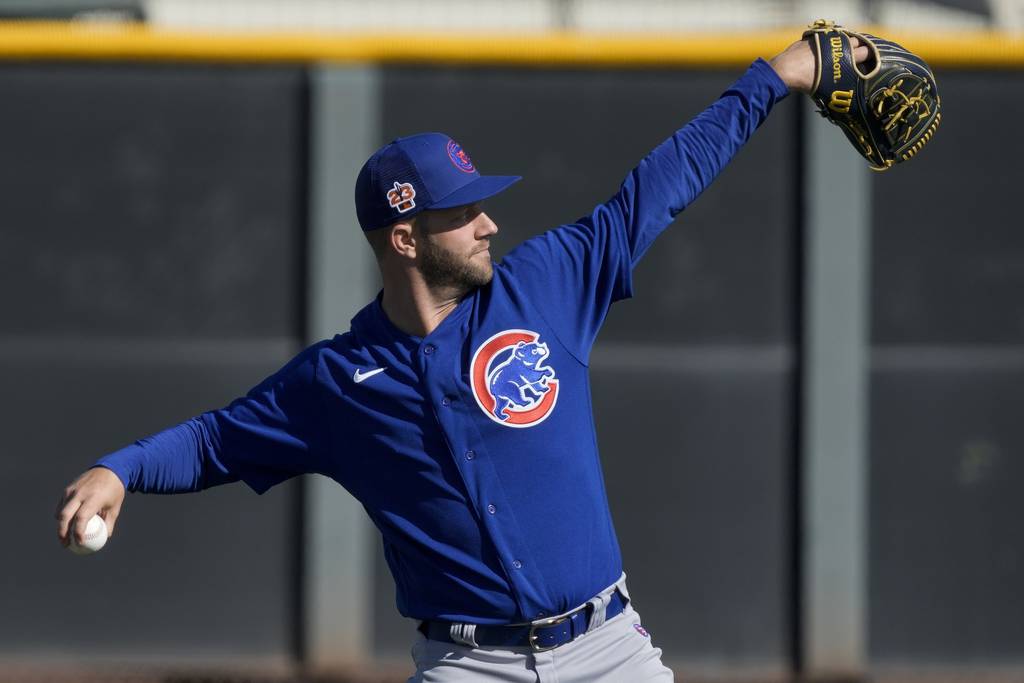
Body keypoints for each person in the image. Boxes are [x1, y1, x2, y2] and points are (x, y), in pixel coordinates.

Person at [56, 34, 866, 682]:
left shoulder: (544, 286)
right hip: (466, 662)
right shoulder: (337, 383)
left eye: (482, 205)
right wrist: (120, 468)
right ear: (404, 237)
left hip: (609, 648)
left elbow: (657, 187)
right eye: (464, 211)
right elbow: (213, 441)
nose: (487, 224)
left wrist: (779, 75)